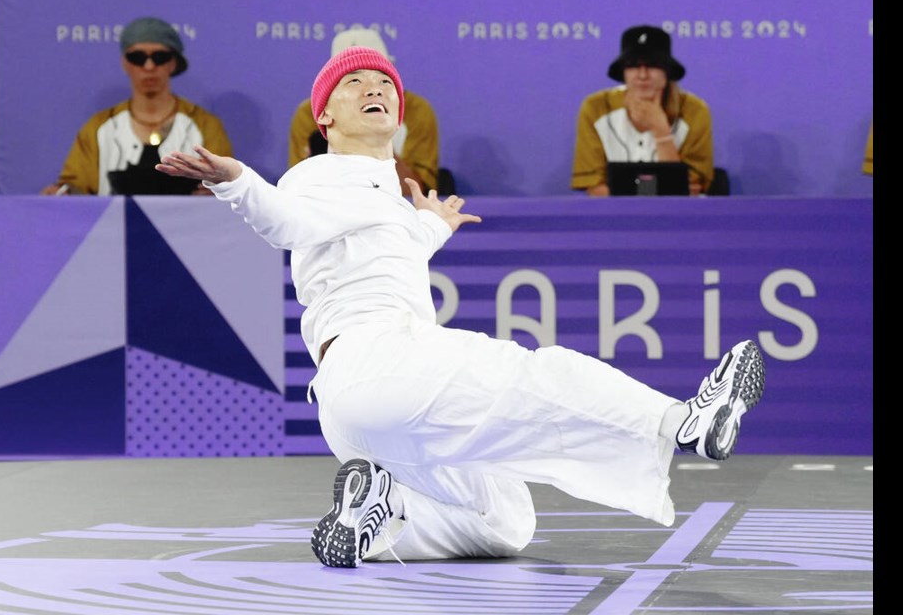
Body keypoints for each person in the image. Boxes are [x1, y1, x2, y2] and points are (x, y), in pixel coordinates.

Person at [156, 45, 767, 568]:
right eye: (354, 83)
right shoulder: (319, 174)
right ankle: (682, 421)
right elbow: (284, 220)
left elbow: (390, 248)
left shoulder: (381, 195)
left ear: (399, 114)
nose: (375, 89)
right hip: (384, 359)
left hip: (356, 413)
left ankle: (382, 519)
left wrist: (433, 226)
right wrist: (237, 179)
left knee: (506, 524)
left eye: (385, 85)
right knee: (539, 373)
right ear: (325, 117)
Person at [41, 16, 233, 196]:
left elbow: (228, 188)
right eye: (138, 58)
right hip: (113, 230)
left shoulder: (206, 126)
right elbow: (75, 190)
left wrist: (219, 193)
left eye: (159, 57)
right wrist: (61, 194)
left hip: (187, 230)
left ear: (173, 63)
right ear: (125, 63)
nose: (149, 66)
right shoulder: (98, 128)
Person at [287, 28, 442, 196]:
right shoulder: (309, 114)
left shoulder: (417, 111)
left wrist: (377, 141)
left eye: (383, 80)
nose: (373, 90)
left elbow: (418, 195)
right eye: (354, 80)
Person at [571, 25, 714, 196]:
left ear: (667, 71)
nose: (643, 75)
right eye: (633, 66)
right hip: (616, 218)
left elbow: (690, 191)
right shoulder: (596, 108)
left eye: (652, 65)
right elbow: (594, 189)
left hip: (679, 217)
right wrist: (656, 189)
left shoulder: (694, 110)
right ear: (623, 71)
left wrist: (661, 131)